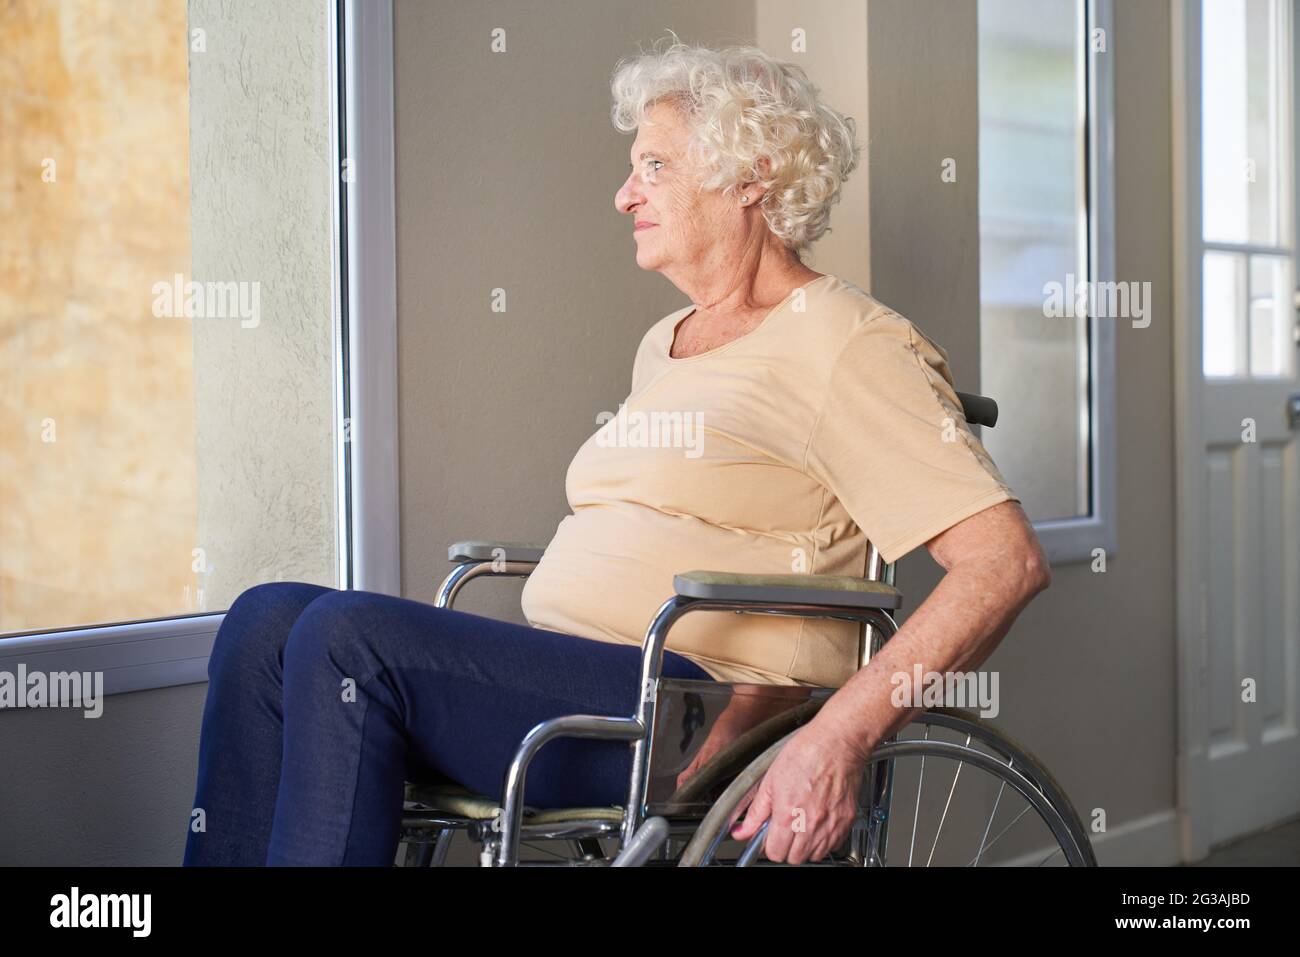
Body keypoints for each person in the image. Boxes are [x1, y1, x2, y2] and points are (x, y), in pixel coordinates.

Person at [184, 36, 1049, 867]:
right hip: (582, 682)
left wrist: (842, 732)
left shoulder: (846, 343)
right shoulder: (668, 340)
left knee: (346, 639)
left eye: (655, 166)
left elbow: (1000, 562)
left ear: (751, 177)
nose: (624, 195)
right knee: (265, 620)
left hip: (687, 713)